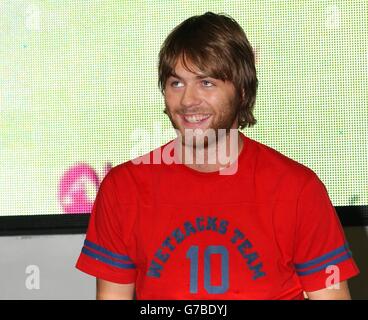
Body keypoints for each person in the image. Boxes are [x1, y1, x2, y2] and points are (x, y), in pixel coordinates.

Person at [75, 12, 359, 300]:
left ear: (243, 91)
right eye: (176, 83)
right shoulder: (123, 188)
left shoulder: (298, 189)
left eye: (206, 82)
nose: (188, 100)